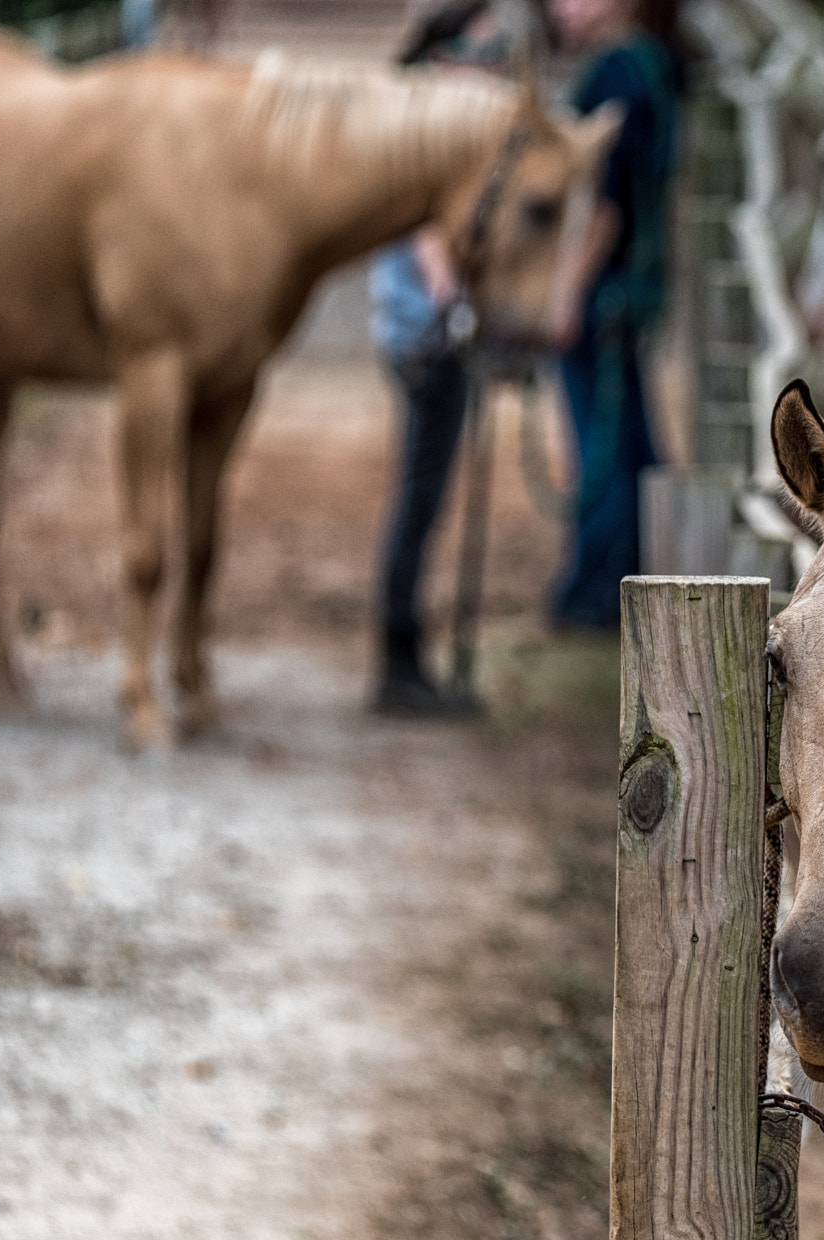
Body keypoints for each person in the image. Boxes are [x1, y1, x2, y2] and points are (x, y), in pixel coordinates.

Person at [366, 0, 512, 716]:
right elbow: (430, 237)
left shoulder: (431, 126)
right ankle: (398, 659)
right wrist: (459, 308)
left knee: (422, 501)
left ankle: (406, 654)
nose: (492, 71)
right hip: (429, 338)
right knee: (418, 502)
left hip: (424, 334)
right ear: (442, 56)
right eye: (480, 54)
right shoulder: (429, 134)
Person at [545, 0, 683, 629]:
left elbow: (605, 209)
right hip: (632, 285)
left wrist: (565, 295)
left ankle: (599, 591)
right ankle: (638, 573)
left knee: (600, 439)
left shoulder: (613, 74)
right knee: (628, 431)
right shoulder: (653, 64)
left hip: (604, 287)